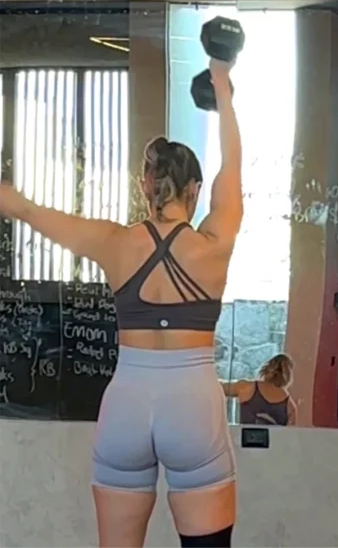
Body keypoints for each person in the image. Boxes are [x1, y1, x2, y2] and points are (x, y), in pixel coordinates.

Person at [0, 58, 243, 547]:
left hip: (126, 403)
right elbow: (232, 167)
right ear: (194, 191)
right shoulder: (213, 245)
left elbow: (23, 207)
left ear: (144, 186)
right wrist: (221, 83)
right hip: (193, 405)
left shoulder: (113, 242)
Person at [223, 353, 296, 426]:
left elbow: (221, 388)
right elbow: (292, 432)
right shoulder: (290, 406)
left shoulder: (246, 387)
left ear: (267, 368)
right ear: (288, 376)